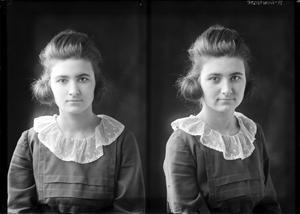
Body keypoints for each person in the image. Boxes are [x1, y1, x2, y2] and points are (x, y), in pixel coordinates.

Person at [8, 29, 145, 213]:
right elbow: (19, 208)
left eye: (82, 79)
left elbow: (129, 209)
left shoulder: (122, 141)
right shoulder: (30, 142)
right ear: (49, 85)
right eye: (62, 80)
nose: (73, 90)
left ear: (95, 82)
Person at [163, 25, 281, 213]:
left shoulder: (253, 134)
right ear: (197, 83)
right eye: (215, 78)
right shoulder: (183, 143)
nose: (227, 89)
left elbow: (268, 207)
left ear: (245, 80)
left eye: (235, 77)